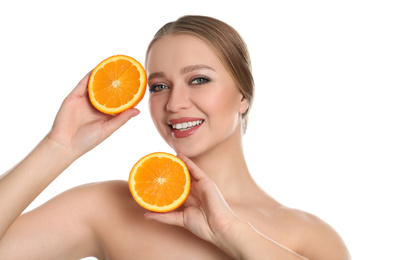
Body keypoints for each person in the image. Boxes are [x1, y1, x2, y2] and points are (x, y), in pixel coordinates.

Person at [0, 15, 350, 259]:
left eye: (199, 79)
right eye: (159, 86)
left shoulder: (309, 236)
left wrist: (229, 230)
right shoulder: (107, 207)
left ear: (243, 96)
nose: (175, 103)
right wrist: (58, 147)